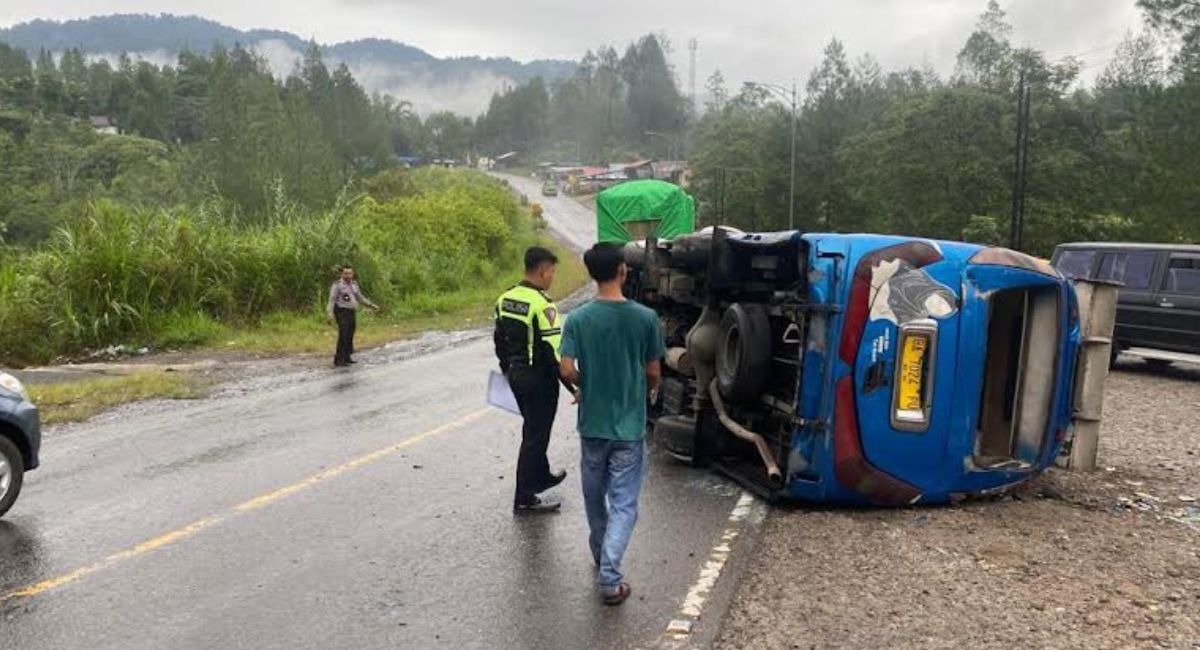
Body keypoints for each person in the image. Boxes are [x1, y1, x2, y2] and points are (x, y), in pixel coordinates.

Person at [559, 243, 664, 606]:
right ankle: (610, 575)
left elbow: (566, 368)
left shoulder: (577, 319)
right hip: (629, 427)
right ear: (623, 270)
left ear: (591, 273)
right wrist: (645, 391)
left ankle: (602, 554)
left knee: (594, 497)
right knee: (624, 503)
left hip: (592, 426)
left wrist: (583, 386)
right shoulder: (645, 318)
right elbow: (653, 372)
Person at [494, 247, 575, 514]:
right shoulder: (543, 305)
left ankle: (541, 476)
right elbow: (554, 356)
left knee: (533, 429)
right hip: (539, 380)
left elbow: (499, 341)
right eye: (552, 271)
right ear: (543, 271)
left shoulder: (505, 298)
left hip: (516, 376)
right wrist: (576, 385)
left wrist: (508, 371)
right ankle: (525, 498)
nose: (552, 277)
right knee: (535, 437)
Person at [326, 266, 380, 367]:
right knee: (343, 334)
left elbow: (360, 298)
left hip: (351, 312)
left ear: (353, 274)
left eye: (350, 273)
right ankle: (338, 359)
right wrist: (330, 314)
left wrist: (371, 305)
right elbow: (332, 300)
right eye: (345, 274)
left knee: (350, 334)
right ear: (342, 274)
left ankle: (347, 356)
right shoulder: (337, 285)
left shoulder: (354, 285)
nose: (348, 276)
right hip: (341, 312)